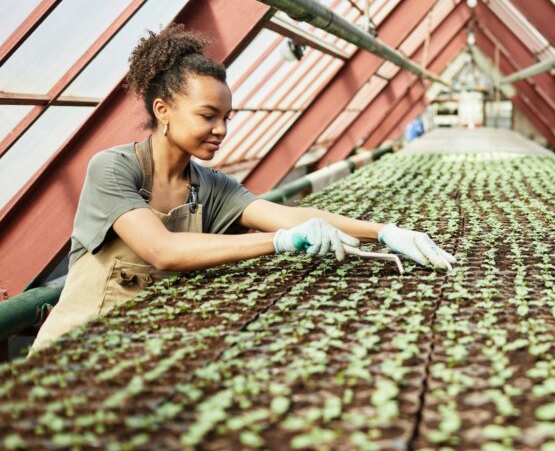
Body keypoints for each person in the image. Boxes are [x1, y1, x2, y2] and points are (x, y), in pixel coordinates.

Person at [31, 25, 455, 352]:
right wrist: (282, 242)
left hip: (143, 355)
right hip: (75, 352)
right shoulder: (113, 169)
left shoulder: (209, 186)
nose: (220, 130)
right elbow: (164, 251)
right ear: (163, 110)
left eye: (226, 118)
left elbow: (289, 216)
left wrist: (382, 231)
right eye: (207, 116)